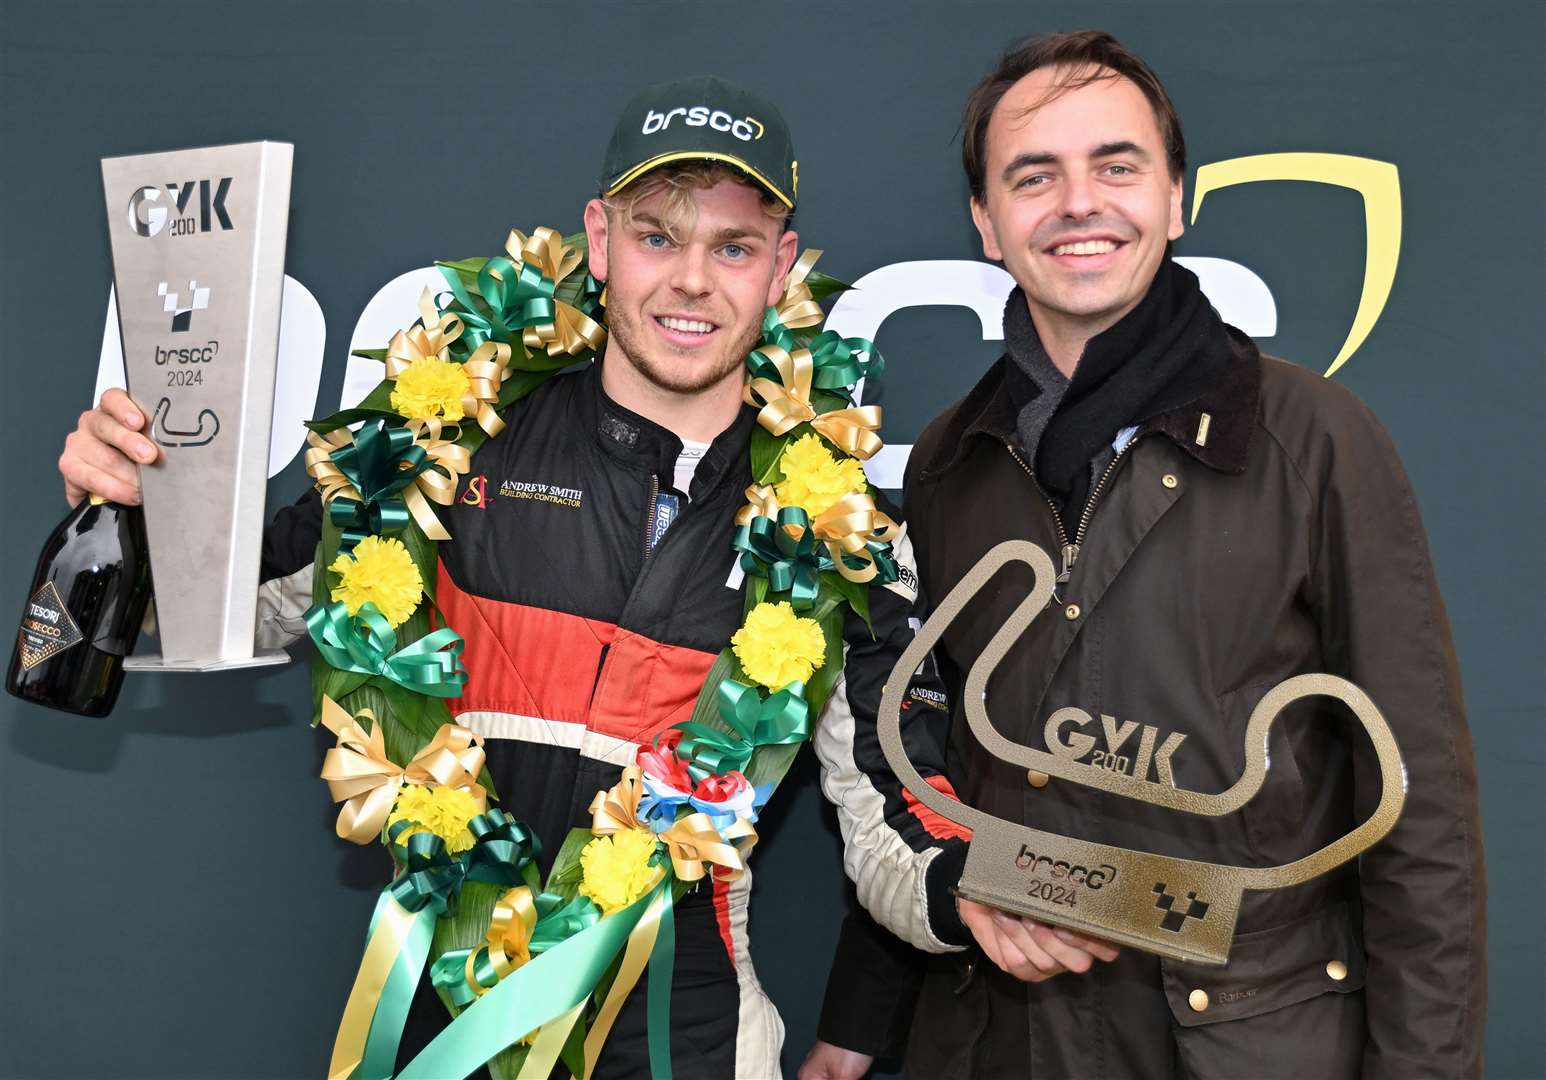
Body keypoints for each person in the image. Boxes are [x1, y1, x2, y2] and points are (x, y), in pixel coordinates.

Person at [57, 75, 972, 1078]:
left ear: (781, 265)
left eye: (734, 246)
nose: (691, 281)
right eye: (657, 236)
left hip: (686, 1035)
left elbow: (899, 816)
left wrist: (988, 896)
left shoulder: (840, 532)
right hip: (440, 1010)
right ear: (599, 236)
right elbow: (215, 616)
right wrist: (134, 517)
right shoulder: (443, 437)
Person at [802, 29, 1486, 1080]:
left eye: (1115, 165)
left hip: (1246, 1044)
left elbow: (1418, 817)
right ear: (987, 224)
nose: (1079, 202)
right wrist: (856, 1025)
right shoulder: (947, 461)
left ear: (1175, 198)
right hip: (999, 1044)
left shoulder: (1314, 441)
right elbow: (923, 760)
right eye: (1034, 176)